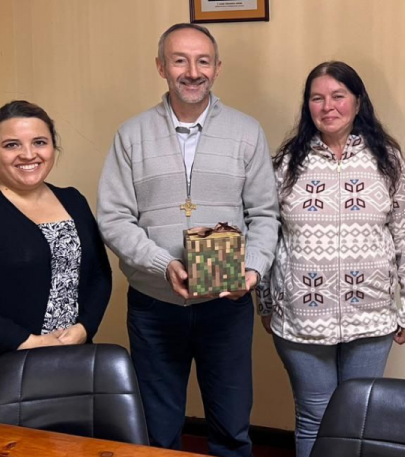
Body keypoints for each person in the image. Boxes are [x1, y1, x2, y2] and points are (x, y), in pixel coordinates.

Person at [97, 23, 279, 455]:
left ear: (217, 67)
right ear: (161, 67)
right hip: (154, 305)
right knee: (158, 432)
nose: (192, 71)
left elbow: (265, 215)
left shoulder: (246, 131)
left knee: (232, 429)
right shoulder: (131, 135)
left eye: (202, 61)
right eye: (180, 60)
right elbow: (115, 218)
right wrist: (165, 265)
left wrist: (252, 270)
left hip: (227, 305)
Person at [257, 61, 405, 457]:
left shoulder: (387, 161)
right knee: (314, 416)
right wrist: (263, 301)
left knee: (359, 418)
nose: (327, 106)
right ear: (307, 105)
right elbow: (265, 233)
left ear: (357, 101)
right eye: (317, 98)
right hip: (301, 319)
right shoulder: (286, 165)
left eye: (338, 96)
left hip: (371, 317)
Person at [0, 101, 113, 418]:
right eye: (12, 145)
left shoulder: (73, 200)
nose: (28, 154)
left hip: (71, 369)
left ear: (53, 147)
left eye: (39, 142)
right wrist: (28, 342)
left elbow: (98, 276)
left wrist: (84, 328)